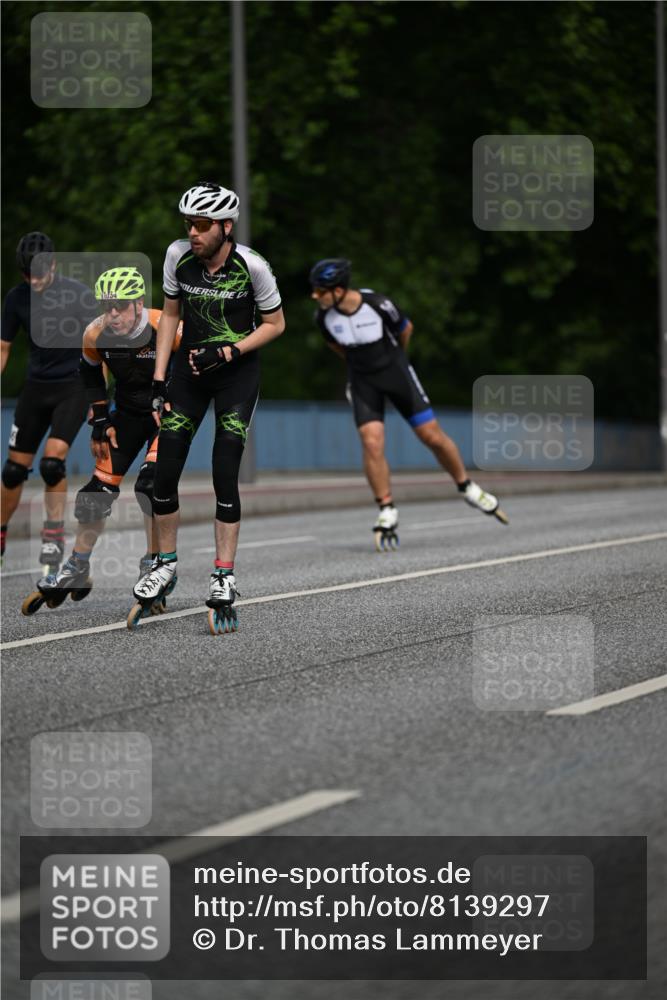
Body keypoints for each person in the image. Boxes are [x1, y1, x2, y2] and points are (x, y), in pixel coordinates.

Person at [134, 181, 285, 633]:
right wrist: (159, 379)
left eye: (201, 225)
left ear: (225, 225)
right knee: (164, 471)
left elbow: (276, 324)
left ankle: (224, 575)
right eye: (189, 223)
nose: (193, 232)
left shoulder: (252, 267)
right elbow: (172, 316)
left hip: (236, 375)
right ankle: (165, 564)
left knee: (224, 470)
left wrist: (231, 351)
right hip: (188, 374)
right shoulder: (177, 256)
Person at [309, 258, 508, 549]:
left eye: (320, 290)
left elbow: (406, 329)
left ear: (339, 290)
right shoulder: (323, 318)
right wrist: (360, 370)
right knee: (371, 442)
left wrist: (397, 361)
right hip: (363, 381)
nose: (315, 296)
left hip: (396, 372)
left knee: (431, 436)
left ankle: (466, 486)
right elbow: (336, 347)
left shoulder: (378, 304)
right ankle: (386, 509)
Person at [21, 268, 182, 615]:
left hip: (164, 415)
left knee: (150, 487)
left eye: (120, 306)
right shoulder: (95, 333)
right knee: (94, 496)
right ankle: (78, 566)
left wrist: (180, 404)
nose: (113, 314)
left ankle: (156, 564)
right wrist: (100, 419)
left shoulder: (162, 325)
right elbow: (89, 373)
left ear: (138, 303)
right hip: (126, 415)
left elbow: (194, 365)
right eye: (107, 306)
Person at [1, 232, 97, 569]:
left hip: (73, 386)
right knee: (13, 471)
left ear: (53, 265)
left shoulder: (77, 295)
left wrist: (100, 400)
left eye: (40, 274)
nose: (35, 281)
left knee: (52, 463)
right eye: (29, 276)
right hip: (36, 388)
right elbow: (3, 348)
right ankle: (0, 534)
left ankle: (53, 537)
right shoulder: (16, 299)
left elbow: (100, 345)